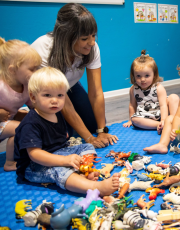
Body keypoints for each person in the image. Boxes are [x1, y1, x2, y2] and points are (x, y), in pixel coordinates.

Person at [14, 67, 120, 196]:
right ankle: (94, 187)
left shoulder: (56, 112)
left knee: (87, 146)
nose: (55, 100)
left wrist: (69, 157)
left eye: (60, 95)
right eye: (47, 95)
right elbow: (35, 154)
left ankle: (83, 171)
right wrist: (64, 161)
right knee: (60, 171)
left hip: (58, 152)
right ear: (33, 97)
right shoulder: (30, 123)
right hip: (34, 165)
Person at [31, 3, 118, 149]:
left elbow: (96, 91)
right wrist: (89, 138)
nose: (91, 42)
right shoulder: (43, 50)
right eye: (84, 38)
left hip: (69, 86)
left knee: (93, 124)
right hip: (45, 93)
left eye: (93, 36)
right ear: (66, 36)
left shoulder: (92, 48)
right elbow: (61, 99)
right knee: (62, 134)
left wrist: (101, 131)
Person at [0, 37, 41, 171]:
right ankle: (11, 163)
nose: (36, 73)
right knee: (22, 127)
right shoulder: (1, 86)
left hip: (6, 122)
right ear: (12, 70)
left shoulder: (26, 85)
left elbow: (34, 106)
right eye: (32, 69)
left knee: (28, 122)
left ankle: (12, 160)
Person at [123, 50, 179, 135]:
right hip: (146, 115)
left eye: (147, 75)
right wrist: (130, 120)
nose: (142, 79)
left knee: (174, 97)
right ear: (133, 75)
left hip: (161, 113)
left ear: (154, 75)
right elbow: (132, 105)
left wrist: (164, 119)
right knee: (135, 120)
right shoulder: (133, 89)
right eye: (138, 76)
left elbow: (163, 105)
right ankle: (160, 125)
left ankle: (173, 122)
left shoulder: (158, 87)